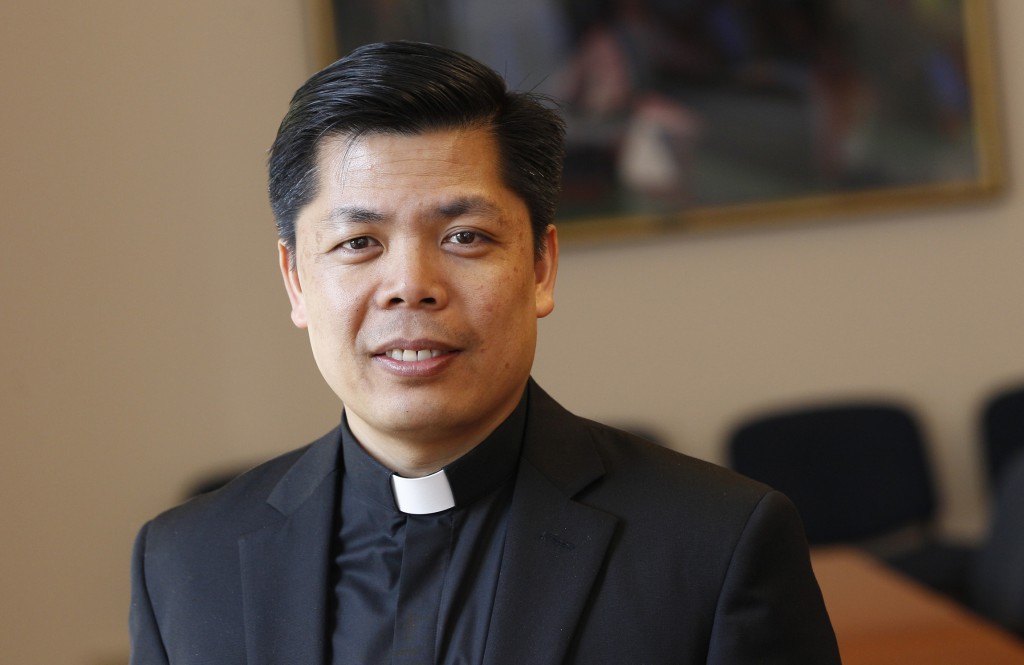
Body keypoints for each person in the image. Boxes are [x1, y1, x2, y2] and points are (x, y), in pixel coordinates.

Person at [129, 41, 840, 664]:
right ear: (295, 281)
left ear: (540, 267)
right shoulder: (183, 565)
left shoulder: (715, 544)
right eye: (358, 243)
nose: (411, 286)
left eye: (464, 236)